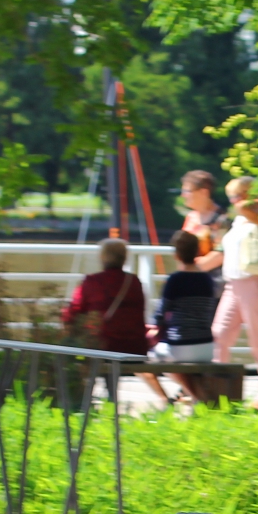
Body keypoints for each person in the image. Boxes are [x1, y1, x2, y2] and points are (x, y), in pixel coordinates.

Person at [63, 238, 166, 405]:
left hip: (103, 347)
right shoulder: (134, 282)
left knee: (96, 343)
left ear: (102, 257)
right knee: (109, 339)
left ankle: (84, 401)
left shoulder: (92, 282)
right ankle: (112, 399)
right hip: (134, 348)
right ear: (124, 258)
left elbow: (73, 312)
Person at [212, 178, 258, 407]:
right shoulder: (239, 220)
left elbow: (252, 214)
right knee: (219, 333)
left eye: (235, 196)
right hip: (233, 284)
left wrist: (251, 199)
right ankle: (218, 390)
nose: (233, 202)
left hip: (254, 282)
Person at [147, 231, 219, 403]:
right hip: (207, 347)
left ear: (177, 254)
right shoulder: (208, 280)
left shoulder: (175, 280)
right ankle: (196, 398)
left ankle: (186, 397)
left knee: (152, 358)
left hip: (180, 347)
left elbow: (160, 315)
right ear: (197, 252)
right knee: (182, 362)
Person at [179, 171, 228, 280]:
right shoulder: (190, 217)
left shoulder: (221, 220)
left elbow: (220, 254)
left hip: (212, 282)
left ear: (204, 192)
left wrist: (191, 268)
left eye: (187, 191)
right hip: (189, 276)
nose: (183, 195)